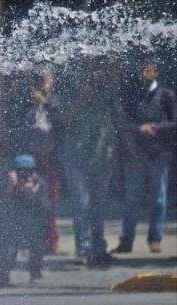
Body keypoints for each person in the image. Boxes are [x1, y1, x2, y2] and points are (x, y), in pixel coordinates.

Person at [112, 58, 175, 255]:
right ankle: (127, 239)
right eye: (141, 70)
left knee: (158, 198)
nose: (143, 74)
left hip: (159, 154)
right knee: (132, 199)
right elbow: (123, 124)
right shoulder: (133, 95)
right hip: (136, 155)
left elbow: (174, 123)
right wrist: (139, 129)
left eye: (147, 70)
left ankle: (155, 238)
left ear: (156, 73)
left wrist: (155, 127)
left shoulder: (167, 95)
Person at [61, 60, 122, 266]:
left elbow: (118, 125)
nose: (93, 75)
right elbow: (64, 120)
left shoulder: (108, 96)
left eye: (96, 71)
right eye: (89, 70)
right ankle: (84, 248)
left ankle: (99, 247)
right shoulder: (70, 91)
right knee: (82, 205)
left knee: (98, 207)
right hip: (76, 160)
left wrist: (117, 158)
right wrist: (81, 98)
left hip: (102, 158)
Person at [0, 155, 51, 287]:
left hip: (32, 224)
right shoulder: (4, 183)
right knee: (7, 246)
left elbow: (46, 209)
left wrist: (32, 193)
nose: (25, 175)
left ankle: (35, 273)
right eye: (20, 171)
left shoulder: (40, 185)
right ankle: (3, 273)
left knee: (37, 244)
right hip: (12, 223)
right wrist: (10, 189)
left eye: (29, 171)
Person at [23, 68, 64, 254]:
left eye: (45, 80)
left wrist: (45, 103)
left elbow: (62, 122)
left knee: (50, 201)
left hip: (50, 157)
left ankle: (50, 240)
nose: (42, 84)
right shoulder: (27, 102)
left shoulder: (55, 100)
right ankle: (31, 239)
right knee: (29, 199)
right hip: (32, 158)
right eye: (39, 80)